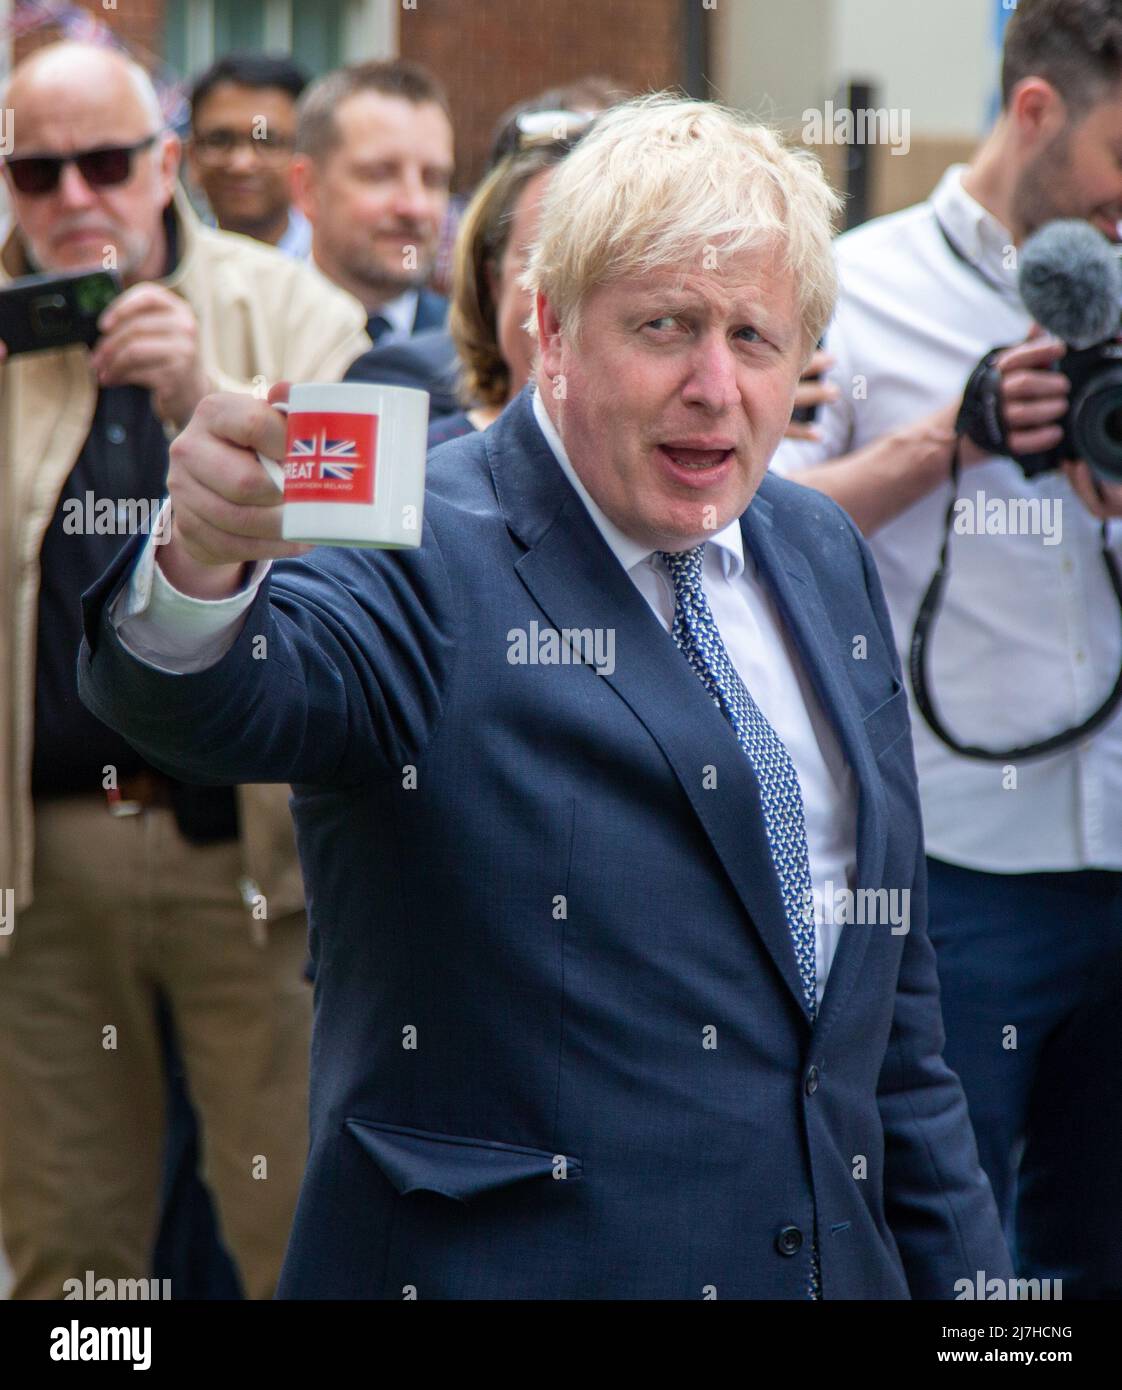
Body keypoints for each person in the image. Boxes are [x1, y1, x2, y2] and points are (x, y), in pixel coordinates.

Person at [78, 94, 1011, 1299]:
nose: (714, 385)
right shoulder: (419, 536)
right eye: (665, 327)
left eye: (755, 338)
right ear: (552, 329)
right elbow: (209, 702)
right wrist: (200, 562)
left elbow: (896, 1031)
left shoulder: (821, 548)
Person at [0, 40, 368, 1300]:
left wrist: (199, 397)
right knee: (69, 1252)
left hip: (246, 857)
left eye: (105, 163)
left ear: (165, 167)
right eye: (34, 174)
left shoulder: (291, 306)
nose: (72, 199)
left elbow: (373, 533)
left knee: (293, 1223)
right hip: (42, 863)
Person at [772, 0, 1122, 1296]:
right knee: (944, 1250)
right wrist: (950, 439)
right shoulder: (849, 286)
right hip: (954, 868)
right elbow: (754, 526)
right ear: (1033, 111)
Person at [291, 59, 453, 346]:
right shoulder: (249, 335)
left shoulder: (478, 357)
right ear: (307, 188)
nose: (415, 206)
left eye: (433, 179)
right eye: (380, 175)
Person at [186, 52, 311, 257]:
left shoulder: (342, 272)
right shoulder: (166, 274)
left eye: (267, 142)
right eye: (219, 140)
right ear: (192, 156)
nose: (242, 164)